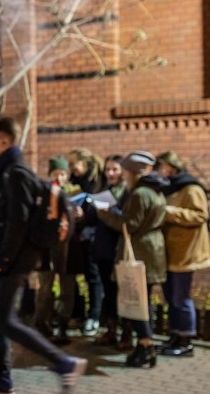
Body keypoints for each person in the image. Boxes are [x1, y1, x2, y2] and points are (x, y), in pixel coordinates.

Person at [0, 116, 86, 394]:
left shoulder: (16, 173)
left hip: (13, 261)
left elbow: (17, 223)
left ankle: (63, 363)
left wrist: (2, 261)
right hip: (4, 259)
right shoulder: (7, 170)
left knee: (4, 320)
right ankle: (3, 380)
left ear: (6, 141)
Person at [97, 151, 167, 368]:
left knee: (138, 303)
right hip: (152, 249)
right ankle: (144, 345)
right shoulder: (156, 191)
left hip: (140, 251)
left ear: (132, 173)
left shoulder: (140, 194)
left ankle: (146, 345)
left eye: (126, 172)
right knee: (142, 301)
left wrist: (106, 213)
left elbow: (130, 224)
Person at [154, 151, 210, 357]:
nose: (159, 171)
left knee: (181, 297)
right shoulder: (168, 187)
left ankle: (186, 341)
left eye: (162, 166)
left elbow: (201, 215)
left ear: (172, 167)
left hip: (185, 251)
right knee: (170, 296)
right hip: (169, 250)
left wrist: (171, 212)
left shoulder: (191, 187)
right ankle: (175, 335)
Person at [87, 155, 127, 346]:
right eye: (108, 169)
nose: (110, 173)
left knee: (122, 292)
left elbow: (126, 221)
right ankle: (110, 331)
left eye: (114, 169)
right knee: (108, 293)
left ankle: (125, 333)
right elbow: (93, 220)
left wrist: (110, 212)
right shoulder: (103, 190)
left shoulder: (126, 192)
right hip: (102, 249)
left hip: (117, 249)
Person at [33, 156, 73, 342]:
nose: (60, 177)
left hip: (67, 247)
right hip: (47, 247)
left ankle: (63, 324)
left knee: (67, 287)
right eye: (56, 173)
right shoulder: (43, 194)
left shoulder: (74, 192)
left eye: (63, 173)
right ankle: (42, 321)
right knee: (45, 287)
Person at [67, 147, 106, 336]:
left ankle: (94, 316)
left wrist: (84, 216)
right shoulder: (73, 183)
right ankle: (77, 313)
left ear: (85, 163)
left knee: (93, 277)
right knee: (74, 275)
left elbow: (103, 213)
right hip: (76, 237)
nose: (70, 168)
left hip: (93, 238)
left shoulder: (98, 183)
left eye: (73, 164)